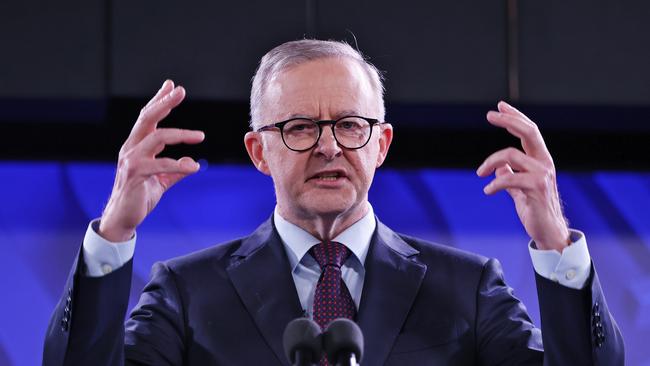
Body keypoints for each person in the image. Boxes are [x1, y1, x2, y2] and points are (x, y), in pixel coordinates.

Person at [43, 39, 624, 365]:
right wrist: (113, 236)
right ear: (258, 150)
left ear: (382, 144)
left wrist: (554, 245)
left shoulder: (467, 290)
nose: (327, 146)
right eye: (299, 126)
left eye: (350, 124)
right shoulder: (186, 293)